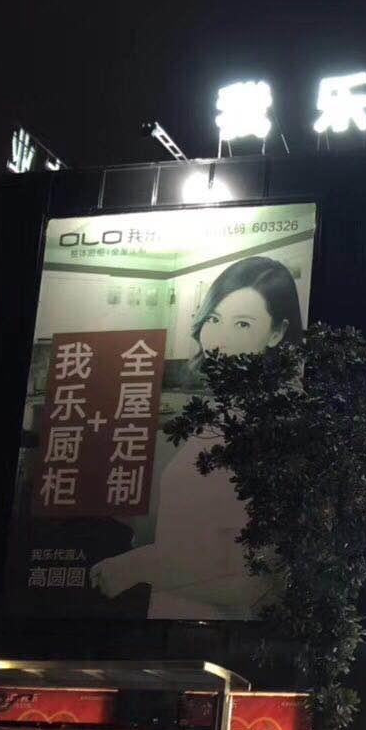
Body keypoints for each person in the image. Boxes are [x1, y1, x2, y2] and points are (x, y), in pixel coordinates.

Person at [90, 255, 304, 620]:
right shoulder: (221, 414)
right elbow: (196, 528)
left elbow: (254, 583)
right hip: (171, 625)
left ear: (277, 332)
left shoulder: (274, 427)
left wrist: (139, 567)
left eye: (242, 324)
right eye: (214, 319)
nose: (219, 339)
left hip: (223, 640)